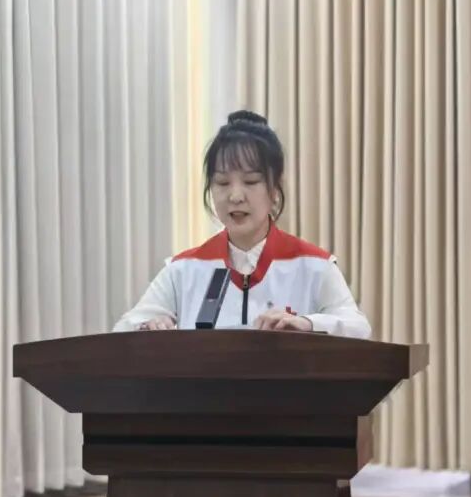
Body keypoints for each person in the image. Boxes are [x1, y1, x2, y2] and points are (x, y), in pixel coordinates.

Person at [113, 110, 371, 338]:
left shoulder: (314, 266)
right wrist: (149, 326)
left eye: (250, 181)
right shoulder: (183, 270)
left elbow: (358, 327)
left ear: (275, 189)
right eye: (222, 183)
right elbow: (123, 330)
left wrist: (307, 323)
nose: (235, 196)